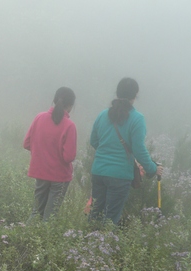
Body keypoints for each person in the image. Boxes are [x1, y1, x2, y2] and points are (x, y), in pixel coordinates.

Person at [89, 77, 163, 224]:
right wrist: (153, 168)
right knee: (110, 219)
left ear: (117, 93)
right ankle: (105, 245)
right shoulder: (137, 119)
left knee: (95, 213)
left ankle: (87, 243)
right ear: (135, 96)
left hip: (98, 172)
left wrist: (106, 152)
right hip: (120, 175)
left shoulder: (103, 115)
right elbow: (139, 149)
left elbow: (93, 141)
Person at [23, 87, 77, 220]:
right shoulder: (69, 126)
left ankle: (26, 238)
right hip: (60, 176)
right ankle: (45, 239)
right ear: (70, 106)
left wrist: (42, 152)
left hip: (40, 172)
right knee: (50, 216)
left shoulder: (39, 118)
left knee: (36, 212)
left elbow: (27, 143)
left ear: (54, 100)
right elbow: (69, 157)